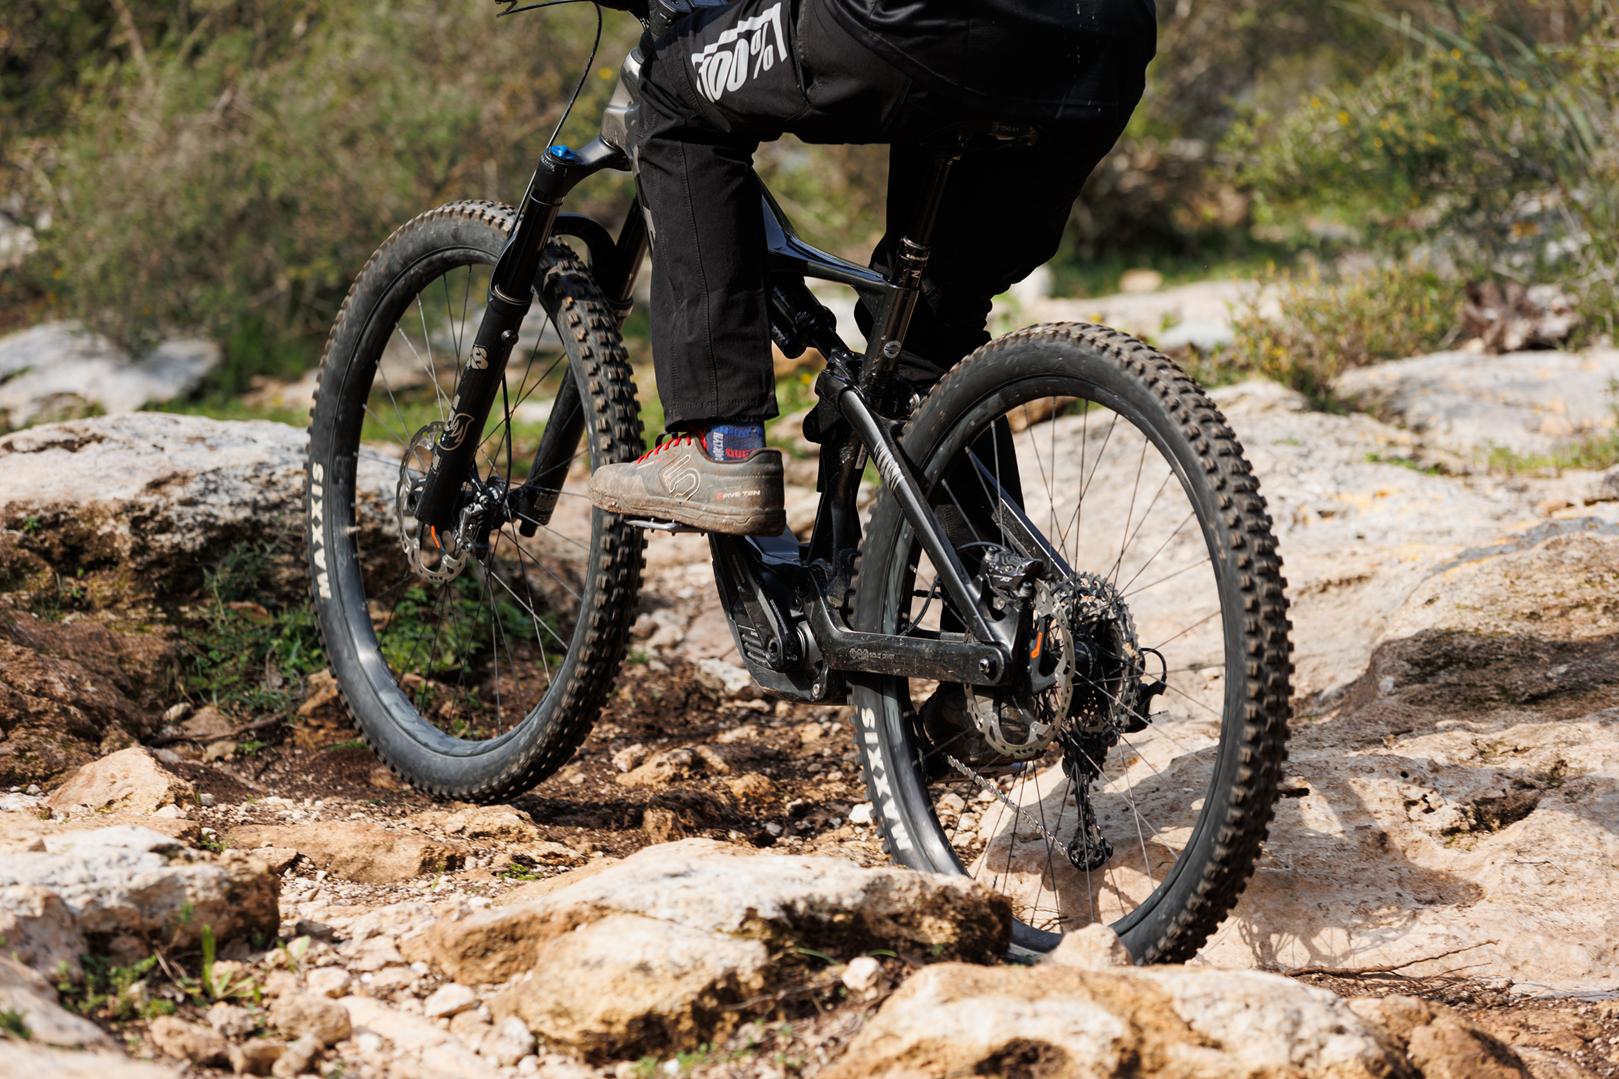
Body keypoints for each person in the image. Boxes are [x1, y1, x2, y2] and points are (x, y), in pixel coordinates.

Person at [588, 0, 1158, 534]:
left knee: (672, 87)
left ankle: (722, 447)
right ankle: (995, 597)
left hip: (931, 20)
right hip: (1104, 36)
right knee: (924, 331)